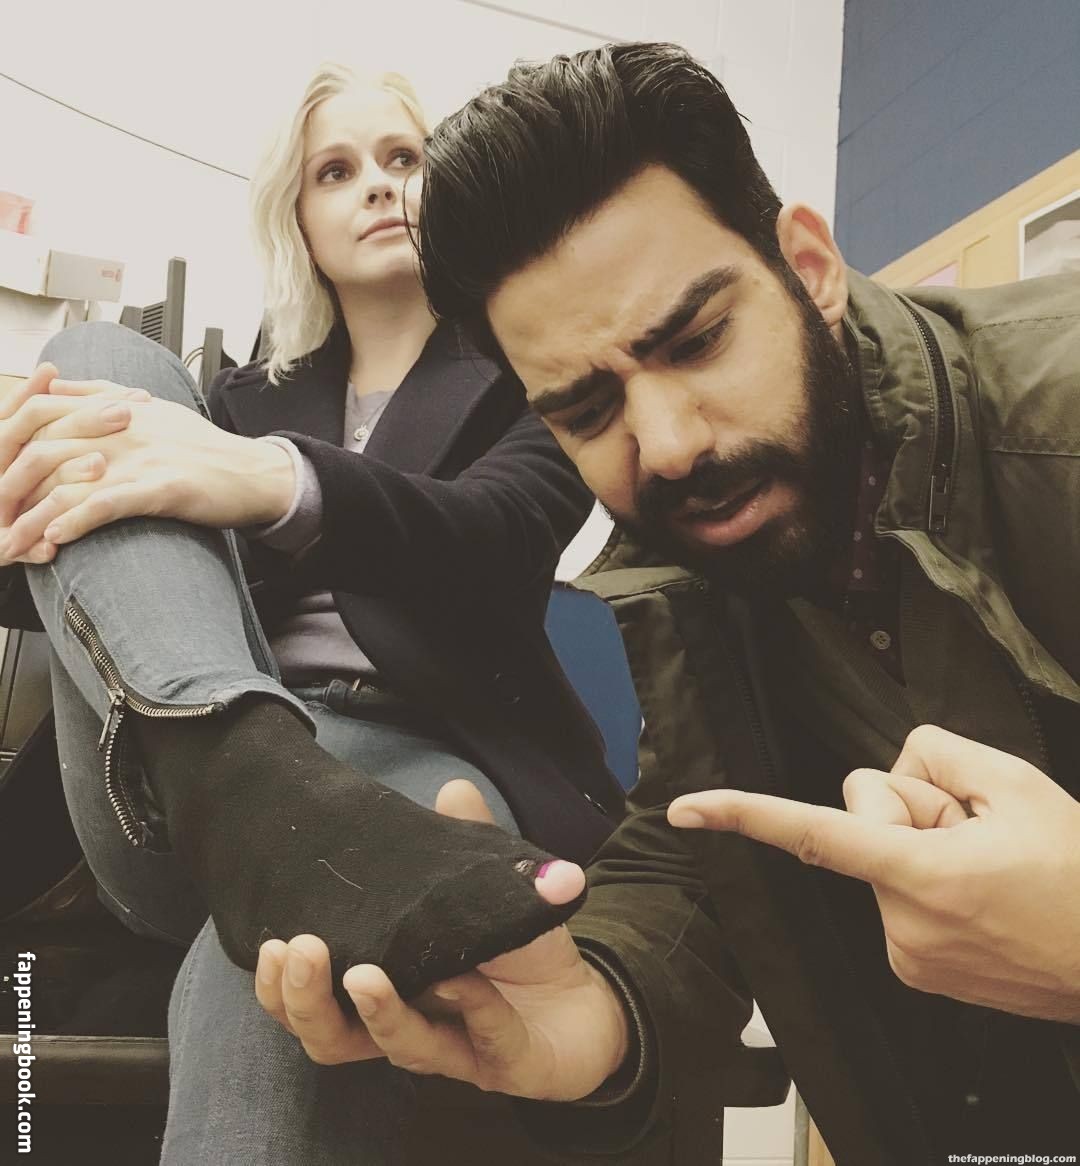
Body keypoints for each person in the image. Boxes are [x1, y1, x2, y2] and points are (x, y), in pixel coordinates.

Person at [252, 43, 1080, 1165]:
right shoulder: (691, 568)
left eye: (697, 342)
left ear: (809, 266)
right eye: (588, 408)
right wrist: (595, 1006)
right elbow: (698, 844)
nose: (672, 444)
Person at [0, 62, 621, 1163]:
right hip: (173, 778)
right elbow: (102, 598)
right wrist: (21, 503)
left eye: (402, 158)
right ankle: (247, 784)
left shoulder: (532, 375)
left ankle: (271, 827)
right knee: (97, 360)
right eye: (336, 171)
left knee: (283, 930)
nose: (376, 185)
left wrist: (278, 484)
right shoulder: (231, 400)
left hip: (414, 755)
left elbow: (501, 530)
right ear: (299, 219)